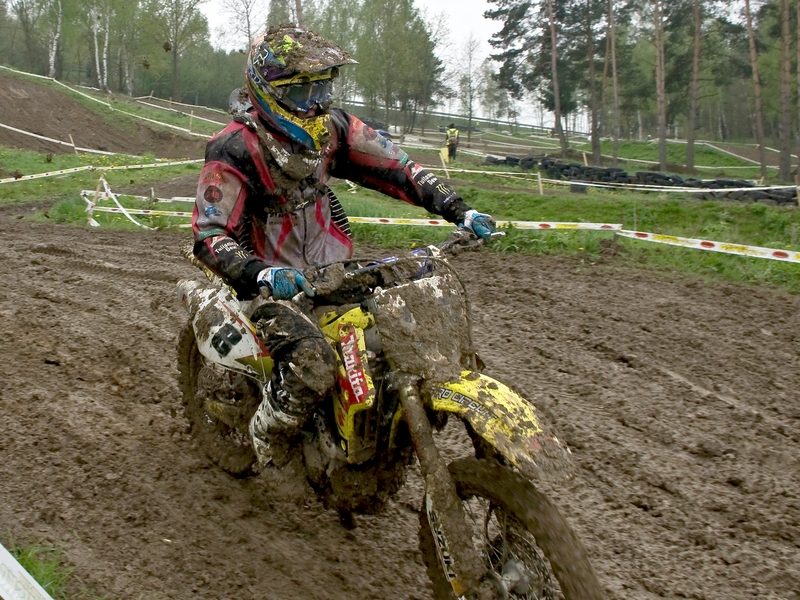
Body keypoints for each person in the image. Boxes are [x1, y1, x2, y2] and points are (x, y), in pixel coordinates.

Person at [191, 26, 497, 469]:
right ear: (269, 91)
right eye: (303, 92)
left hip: (329, 270)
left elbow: (399, 167)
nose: (317, 103)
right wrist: (261, 273)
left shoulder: (333, 129)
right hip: (264, 283)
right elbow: (210, 234)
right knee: (311, 362)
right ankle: (268, 438)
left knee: (408, 312)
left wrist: (459, 209)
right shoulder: (235, 148)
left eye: (324, 87)